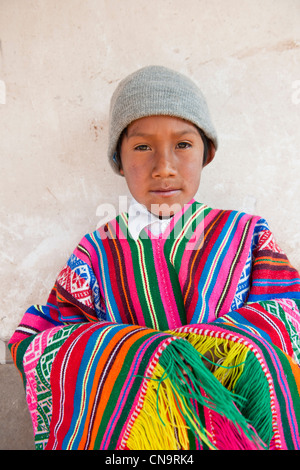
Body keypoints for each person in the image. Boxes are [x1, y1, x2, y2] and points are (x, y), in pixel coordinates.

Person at [9, 66, 300, 450]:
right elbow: (47, 338)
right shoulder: (96, 251)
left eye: (183, 145)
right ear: (118, 158)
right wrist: (143, 353)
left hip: (235, 431)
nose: (164, 167)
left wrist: (199, 348)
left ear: (207, 153)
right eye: (143, 147)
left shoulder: (247, 235)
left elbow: (286, 313)